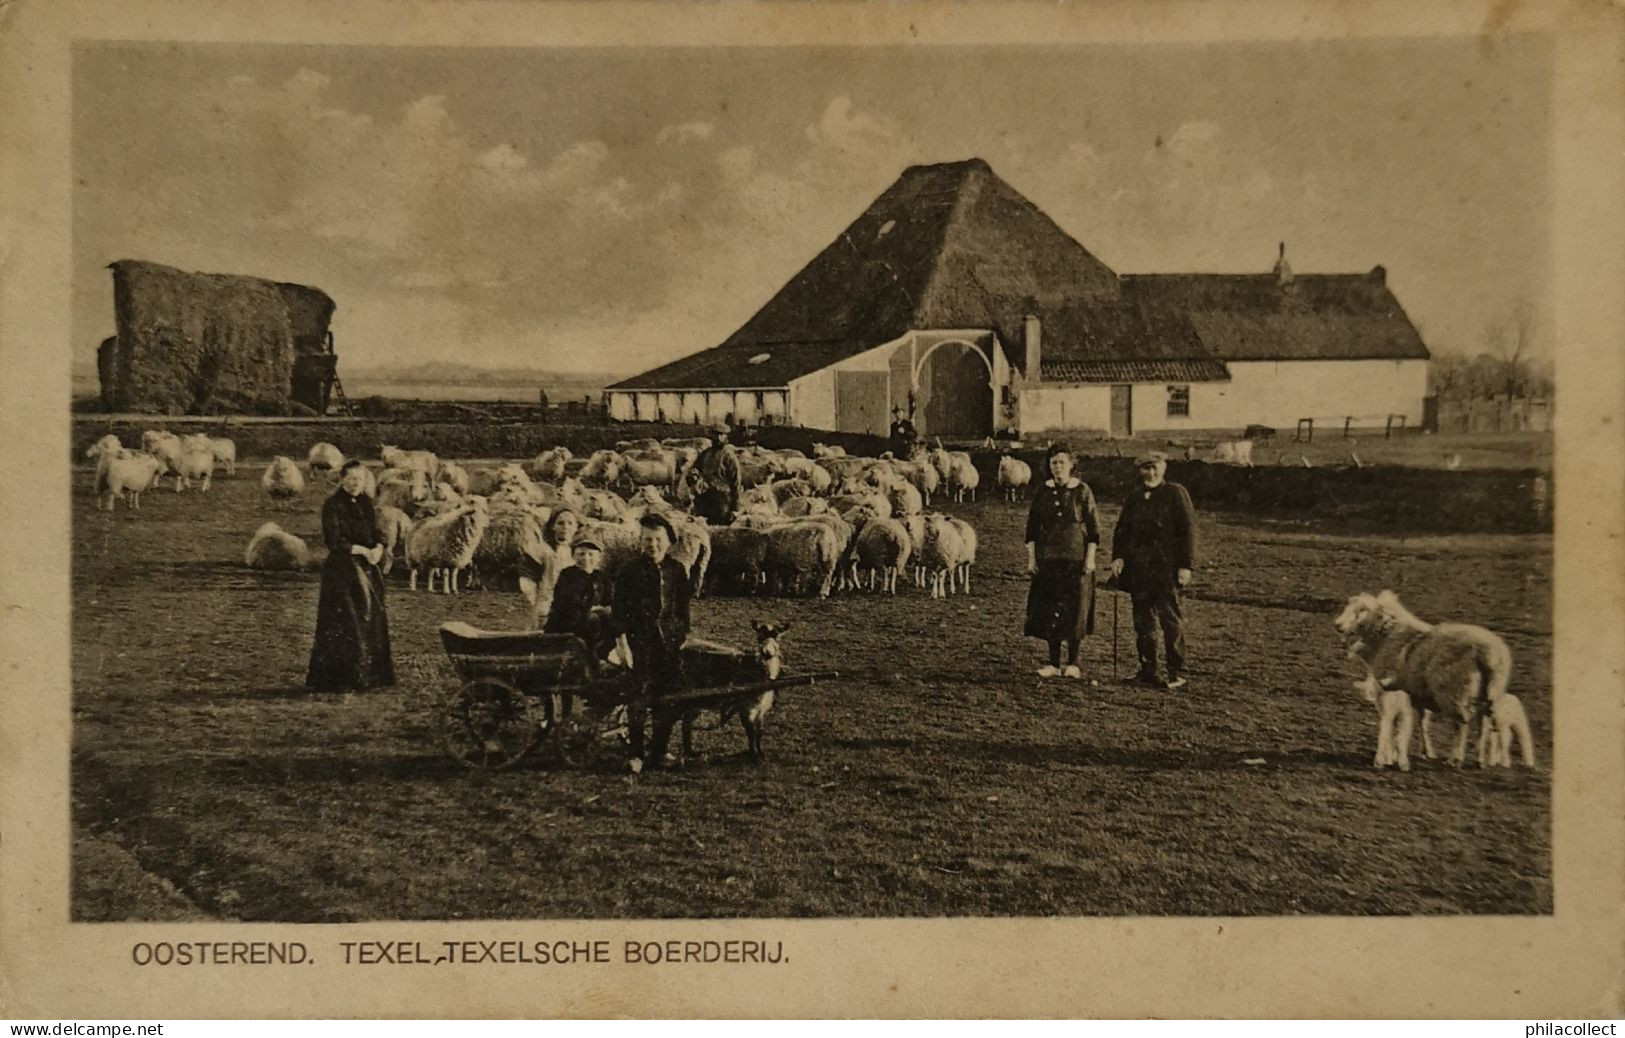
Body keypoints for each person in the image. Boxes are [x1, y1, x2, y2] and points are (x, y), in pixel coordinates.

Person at [1109, 451, 1198, 691]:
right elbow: (1122, 530)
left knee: (1171, 621)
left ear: (1163, 468)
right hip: (1140, 571)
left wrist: (1185, 565)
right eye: (1144, 468)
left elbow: (1187, 531)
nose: (1149, 473)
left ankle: (1175, 672)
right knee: (1143, 622)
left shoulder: (1175, 494)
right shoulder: (1136, 497)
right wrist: (1118, 557)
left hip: (1166, 570)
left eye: (1154, 468)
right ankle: (1148, 670)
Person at [613, 513, 694, 769]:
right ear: (640, 541)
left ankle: (659, 751)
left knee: (669, 696)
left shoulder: (677, 570)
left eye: (658, 539)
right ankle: (635, 754)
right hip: (640, 643)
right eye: (647, 539)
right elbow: (618, 611)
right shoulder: (629, 571)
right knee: (639, 697)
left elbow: (683, 609)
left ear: (668, 541)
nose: (653, 545)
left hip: (669, 644)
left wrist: (681, 635)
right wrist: (622, 643)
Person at [306, 460, 395, 691]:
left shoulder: (367, 502)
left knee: (371, 618)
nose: (356, 483)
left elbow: (378, 531)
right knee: (346, 623)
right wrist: (361, 550)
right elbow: (333, 540)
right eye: (352, 479)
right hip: (342, 572)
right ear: (342, 479)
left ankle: (372, 676)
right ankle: (343, 679)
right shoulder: (332, 505)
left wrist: (378, 548)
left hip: (368, 569)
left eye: (361, 479)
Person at [1023, 444, 1101, 679]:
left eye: (1062, 463)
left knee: (1075, 609)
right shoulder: (1042, 492)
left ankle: (1073, 663)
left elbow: (1094, 529)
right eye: (1054, 463)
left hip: (1075, 559)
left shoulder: (1082, 491)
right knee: (1050, 608)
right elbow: (1032, 529)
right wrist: (1032, 558)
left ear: (1071, 465)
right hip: (1048, 559)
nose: (1058, 468)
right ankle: (1054, 663)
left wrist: (1090, 558)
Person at [543, 535, 614, 663]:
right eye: (581, 554)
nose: (586, 558)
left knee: (613, 620)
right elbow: (567, 602)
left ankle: (607, 656)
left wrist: (608, 609)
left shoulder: (601, 577)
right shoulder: (568, 575)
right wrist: (591, 609)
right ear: (574, 556)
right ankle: (592, 659)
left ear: (598, 557)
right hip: (567, 620)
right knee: (592, 619)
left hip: (591, 619)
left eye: (590, 554)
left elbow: (609, 600)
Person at [687, 420, 742, 525]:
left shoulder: (729, 456)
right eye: (715, 434)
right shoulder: (705, 454)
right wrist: (693, 478)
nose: (717, 438)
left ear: (725, 437)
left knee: (720, 528)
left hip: (722, 500)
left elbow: (736, 482)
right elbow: (694, 469)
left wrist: (735, 507)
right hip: (704, 498)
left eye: (720, 435)